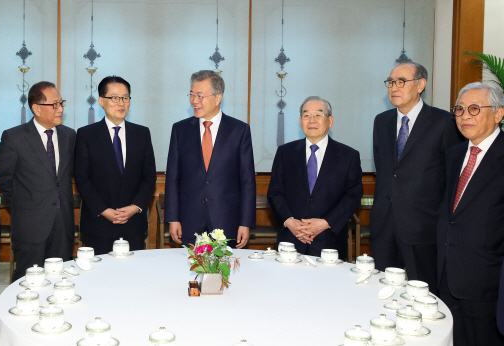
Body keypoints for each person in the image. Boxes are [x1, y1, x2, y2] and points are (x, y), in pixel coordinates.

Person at [371, 62, 464, 293]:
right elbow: (385, 171)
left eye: (401, 82)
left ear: (420, 85)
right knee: (381, 291)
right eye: (391, 82)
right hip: (384, 225)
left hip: (423, 227)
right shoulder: (381, 122)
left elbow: (452, 178)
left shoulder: (444, 123)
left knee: (422, 293)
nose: (394, 87)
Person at [438, 82, 504, 346]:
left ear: (498, 114)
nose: (464, 116)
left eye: (474, 109)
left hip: (488, 283)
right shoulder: (454, 155)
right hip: (447, 276)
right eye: (459, 109)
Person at [0, 81, 76, 281]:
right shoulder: (14, 137)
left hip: (63, 223)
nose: (61, 109)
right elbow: (3, 178)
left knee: (60, 280)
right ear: (37, 108)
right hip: (31, 226)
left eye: (61, 103)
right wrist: (27, 202)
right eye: (55, 104)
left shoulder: (69, 136)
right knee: (27, 281)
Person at [165, 70, 255, 248]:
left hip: (226, 218)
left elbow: (247, 181)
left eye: (200, 95)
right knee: (191, 271)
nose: (194, 101)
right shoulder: (180, 130)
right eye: (191, 95)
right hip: (189, 219)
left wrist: (245, 222)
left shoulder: (239, 130)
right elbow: (173, 178)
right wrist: (173, 218)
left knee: (224, 273)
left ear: (218, 97)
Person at [267, 96, 363, 259]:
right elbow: (275, 192)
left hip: (329, 241)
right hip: (291, 240)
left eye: (318, 115)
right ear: (300, 121)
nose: (312, 120)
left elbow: (353, 195)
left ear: (330, 121)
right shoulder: (285, 153)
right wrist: (291, 222)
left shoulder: (348, 156)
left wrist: (325, 223)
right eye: (306, 115)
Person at [74, 76, 156, 255]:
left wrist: (135, 208)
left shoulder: (141, 134)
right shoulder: (86, 135)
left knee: (133, 278)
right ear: (101, 101)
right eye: (115, 98)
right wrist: (104, 210)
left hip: (133, 223)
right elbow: (82, 179)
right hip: (99, 224)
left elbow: (149, 178)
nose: (121, 103)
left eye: (125, 98)